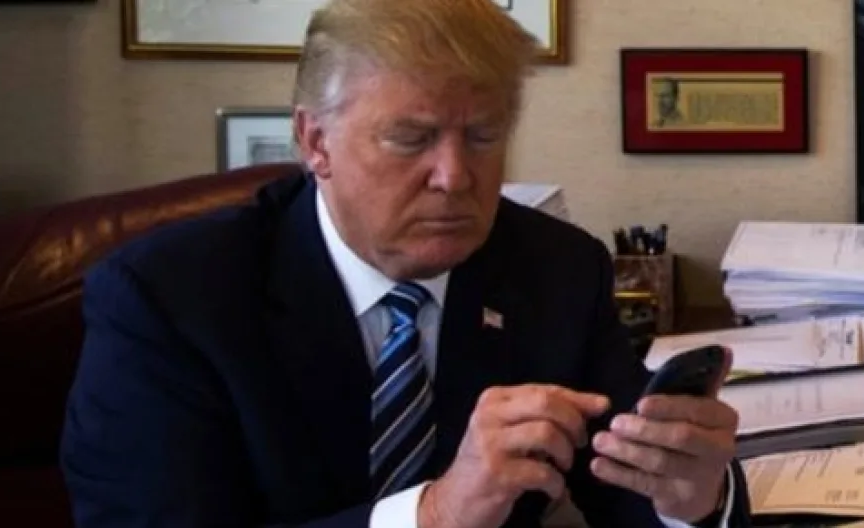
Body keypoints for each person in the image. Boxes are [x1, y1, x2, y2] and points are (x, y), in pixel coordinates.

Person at [59, 0, 751, 526]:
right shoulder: (169, 300)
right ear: (315, 142)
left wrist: (693, 499)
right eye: (411, 139)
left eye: (483, 136)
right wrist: (434, 515)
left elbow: (628, 488)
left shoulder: (558, 269)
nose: (455, 176)